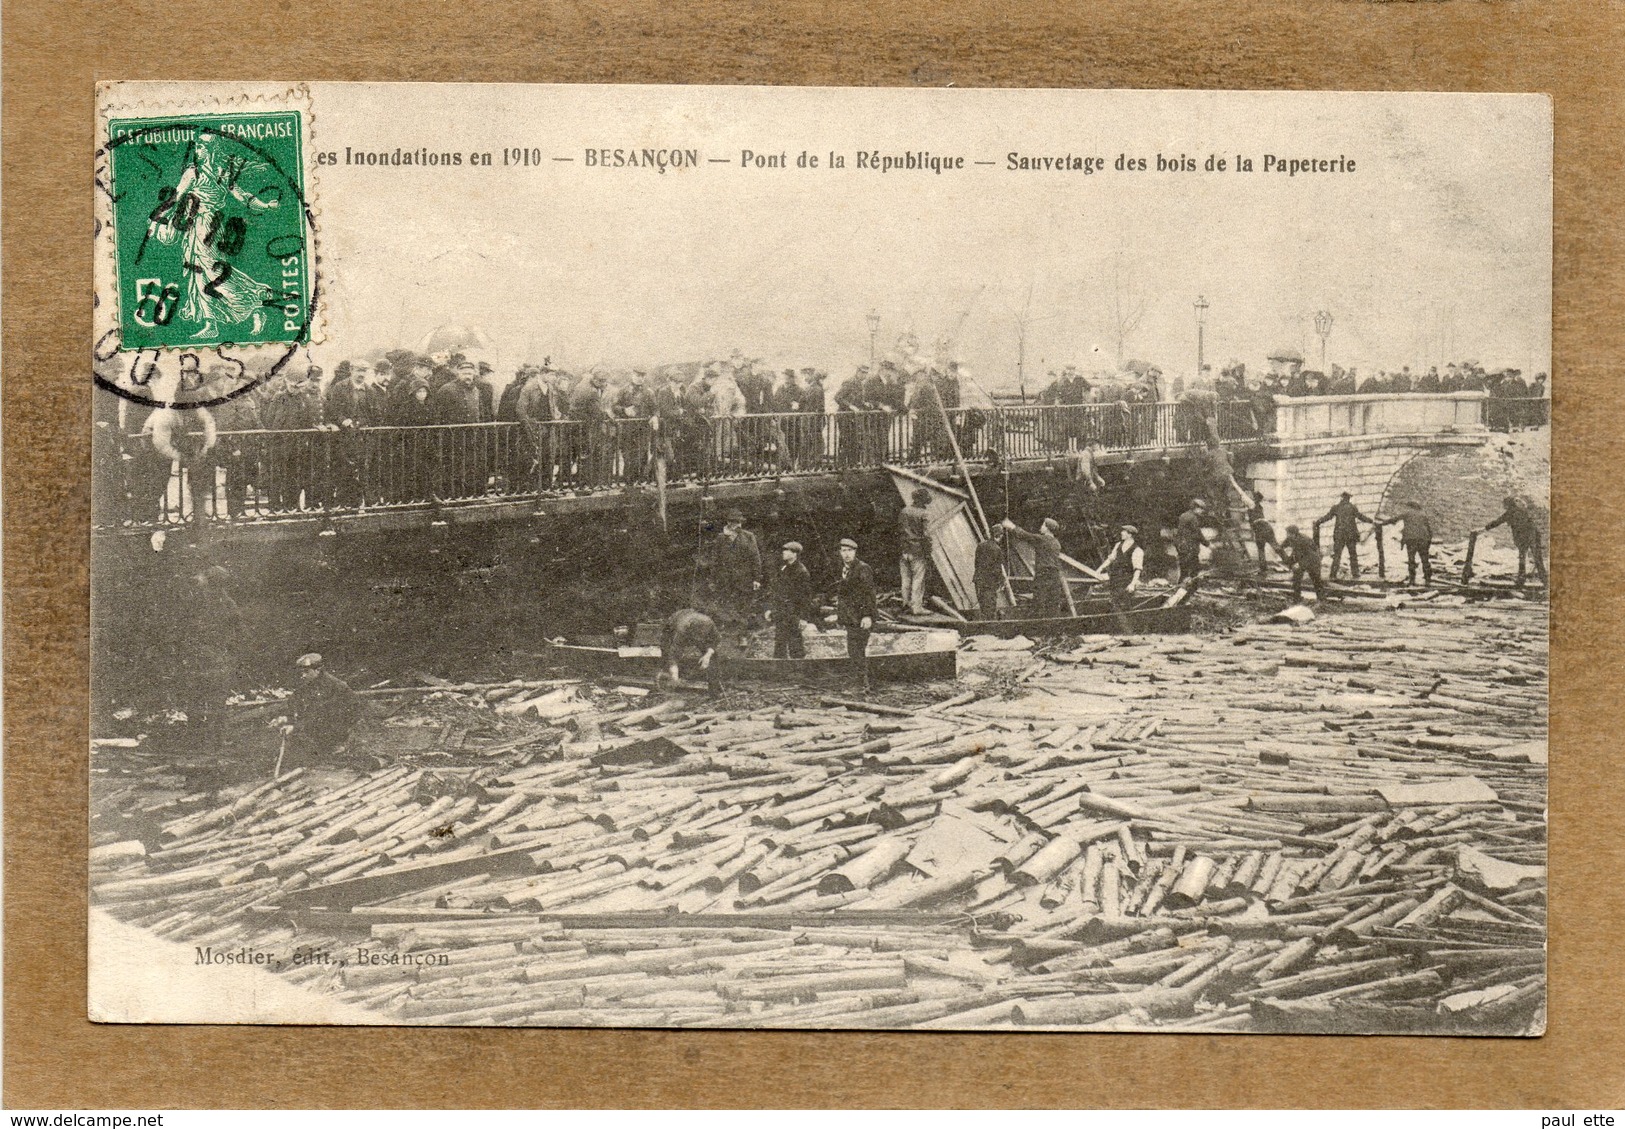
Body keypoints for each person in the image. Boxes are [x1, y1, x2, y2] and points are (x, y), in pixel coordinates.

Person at [275, 653, 362, 769]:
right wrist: (286, 718)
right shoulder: (309, 685)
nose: (303, 676)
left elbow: (321, 715)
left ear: (318, 670)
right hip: (319, 726)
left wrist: (295, 727)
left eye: (306, 672)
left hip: (338, 729)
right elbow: (295, 704)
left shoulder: (334, 687)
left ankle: (337, 748)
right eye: (301, 672)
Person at [703, 509, 763, 643]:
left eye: (738, 522)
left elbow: (755, 558)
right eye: (733, 522)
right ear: (728, 523)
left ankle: (742, 636)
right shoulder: (720, 538)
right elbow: (715, 560)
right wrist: (712, 579)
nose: (736, 525)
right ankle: (726, 636)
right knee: (726, 607)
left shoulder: (748, 536)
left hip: (744, 578)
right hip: (725, 579)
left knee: (743, 607)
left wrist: (757, 578)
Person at [833, 537, 878, 691]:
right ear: (840, 553)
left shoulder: (862, 568)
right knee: (854, 650)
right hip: (850, 617)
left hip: (861, 618)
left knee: (857, 650)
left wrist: (867, 615)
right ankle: (859, 683)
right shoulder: (844, 569)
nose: (846, 554)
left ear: (855, 552)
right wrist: (841, 617)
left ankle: (862, 684)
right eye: (844, 551)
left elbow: (868, 594)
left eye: (850, 551)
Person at [1002, 515, 1067, 619]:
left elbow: (1025, 535)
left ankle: (1038, 626)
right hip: (1054, 574)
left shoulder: (1042, 539)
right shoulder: (1056, 542)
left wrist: (1011, 526)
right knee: (1052, 602)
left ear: (1047, 528)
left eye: (1043, 525)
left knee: (1039, 600)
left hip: (1043, 574)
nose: (1041, 527)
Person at [766, 541, 817, 659]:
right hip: (781, 612)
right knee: (780, 645)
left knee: (796, 646)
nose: (783, 553)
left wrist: (803, 618)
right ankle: (780, 672)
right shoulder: (784, 568)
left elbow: (805, 598)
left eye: (787, 550)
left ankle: (799, 672)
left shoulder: (801, 572)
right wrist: (771, 609)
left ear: (795, 554)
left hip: (794, 614)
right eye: (784, 550)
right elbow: (777, 591)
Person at [1482, 496, 1547, 587]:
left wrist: (1484, 528)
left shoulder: (1510, 513)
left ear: (1508, 505)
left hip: (1525, 537)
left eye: (1505, 505)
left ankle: (1521, 581)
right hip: (1533, 536)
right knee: (1537, 559)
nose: (1504, 506)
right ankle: (1545, 581)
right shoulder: (1522, 511)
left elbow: (1497, 522)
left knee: (1523, 559)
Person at [1315, 491, 1376, 580]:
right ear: (1348, 498)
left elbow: (1327, 517)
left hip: (1339, 535)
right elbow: (1361, 517)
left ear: (1341, 498)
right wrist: (1371, 521)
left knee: (1337, 555)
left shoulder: (1336, 507)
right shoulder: (1352, 507)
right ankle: (1355, 574)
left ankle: (1333, 575)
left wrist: (1318, 522)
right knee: (1353, 555)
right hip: (1351, 535)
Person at [659, 608, 722, 693]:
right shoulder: (681, 629)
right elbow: (673, 651)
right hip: (674, 622)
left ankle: (714, 689)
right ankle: (668, 683)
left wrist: (707, 655)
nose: (698, 639)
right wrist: (674, 670)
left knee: (713, 656)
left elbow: (716, 639)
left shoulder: (709, 623)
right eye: (696, 636)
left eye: (701, 636)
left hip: (690, 619)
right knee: (667, 651)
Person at [898, 486, 933, 615]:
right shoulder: (924, 514)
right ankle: (917, 607)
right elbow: (927, 535)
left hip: (904, 550)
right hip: (917, 551)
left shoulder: (904, 511)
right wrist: (928, 551)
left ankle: (905, 604)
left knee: (905, 579)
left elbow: (900, 531)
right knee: (918, 579)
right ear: (923, 501)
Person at [1384, 500, 1435, 586]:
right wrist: (1429, 540)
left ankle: (1412, 579)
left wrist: (1382, 523)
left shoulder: (1407, 514)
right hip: (1423, 540)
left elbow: (1394, 519)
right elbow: (1429, 529)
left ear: (1410, 507)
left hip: (1411, 540)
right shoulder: (1423, 514)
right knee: (1425, 559)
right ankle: (1428, 579)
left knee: (1411, 559)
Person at [1277, 524, 1326, 602]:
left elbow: (1308, 555)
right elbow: (1284, 545)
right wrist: (1280, 548)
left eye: (1288, 533)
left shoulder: (1303, 540)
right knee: (1296, 577)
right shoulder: (1290, 538)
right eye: (1287, 534)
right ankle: (1297, 598)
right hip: (1303, 558)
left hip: (1313, 560)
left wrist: (1299, 564)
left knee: (1316, 579)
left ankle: (1322, 599)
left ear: (1294, 534)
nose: (1287, 535)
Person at [1098, 524, 1146, 604]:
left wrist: (1132, 584)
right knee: (1112, 602)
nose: (1121, 533)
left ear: (1129, 535)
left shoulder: (1137, 550)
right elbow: (1110, 559)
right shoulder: (1118, 545)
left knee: (1123, 604)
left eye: (1123, 531)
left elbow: (1137, 569)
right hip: (1115, 579)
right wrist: (1099, 569)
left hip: (1126, 581)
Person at [1175, 499, 1209, 592]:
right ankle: (1193, 589)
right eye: (1201, 509)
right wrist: (1207, 543)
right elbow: (1197, 533)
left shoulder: (1183, 515)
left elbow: (1179, 533)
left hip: (1182, 547)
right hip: (1190, 548)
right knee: (1194, 569)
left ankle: (1179, 589)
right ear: (1196, 508)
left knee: (1184, 570)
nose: (1202, 511)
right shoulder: (1193, 518)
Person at [973, 531, 1006, 619]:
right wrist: (1001, 581)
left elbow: (976, 563)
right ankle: (990, 625)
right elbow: (997, 569)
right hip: (990, 582)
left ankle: (984, 622)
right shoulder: (997, 549)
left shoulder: (980, 545)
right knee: (990, 606)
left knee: (982, 604)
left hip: (979, 579)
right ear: (999, 536)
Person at [1246, 489, 1277, 576]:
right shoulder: (1259, 506)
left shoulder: (1252, 505)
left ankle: (1263, 568)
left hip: (1260, 528)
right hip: (1266, 527)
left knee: (1261, 549)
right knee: (1275, 546)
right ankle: (1289, 562)